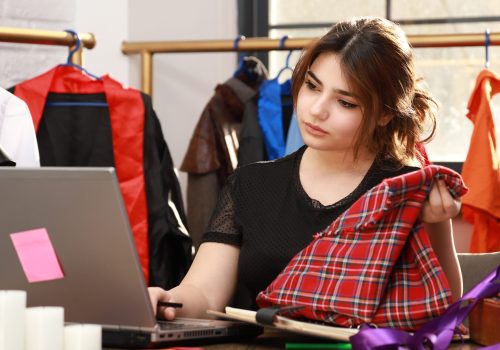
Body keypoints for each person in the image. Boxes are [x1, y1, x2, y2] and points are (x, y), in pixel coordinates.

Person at [149, 16, 462, 321]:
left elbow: (445, 308)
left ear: (384, 113)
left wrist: (436, 225)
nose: (316, 109)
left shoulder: (405, 191)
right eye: (312, 86)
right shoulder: (250, 184)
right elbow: (204, 292)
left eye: (346, 103)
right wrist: (167, 300)